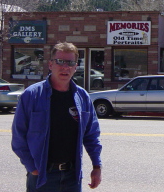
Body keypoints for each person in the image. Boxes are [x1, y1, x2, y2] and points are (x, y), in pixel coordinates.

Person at [12, 42, 102, 191]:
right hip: (42, 176)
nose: (65, 67)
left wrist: (97, 166)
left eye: (70, 63)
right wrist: (32, 168)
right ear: (50, 64)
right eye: (60, 61)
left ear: (75, 67)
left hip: (72, 177)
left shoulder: (82, 97)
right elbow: (18, 137)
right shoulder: (32, 95)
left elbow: (92, 135)